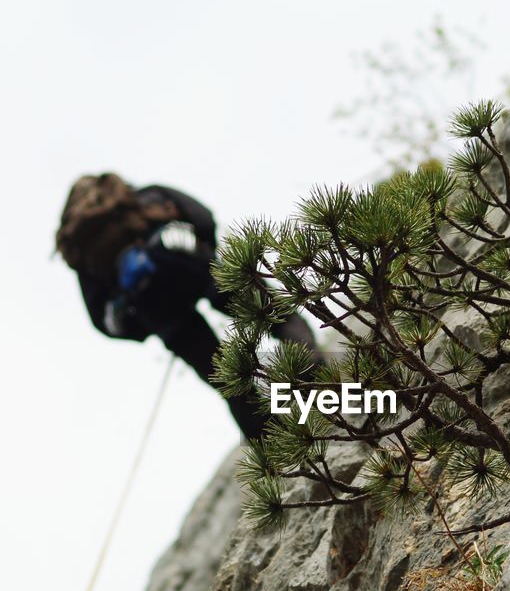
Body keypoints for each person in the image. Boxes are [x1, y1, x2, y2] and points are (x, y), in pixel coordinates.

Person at [55, 173, 317, 439]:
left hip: (162, 314)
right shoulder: (145, 197)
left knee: (229, 379)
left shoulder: (85, 253)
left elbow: (102, 320)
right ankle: (319, 382)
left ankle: (272, 446)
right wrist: (206, 251)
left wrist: (146, 326)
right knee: (278, 318)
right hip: (201, 271)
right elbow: (202, 217)